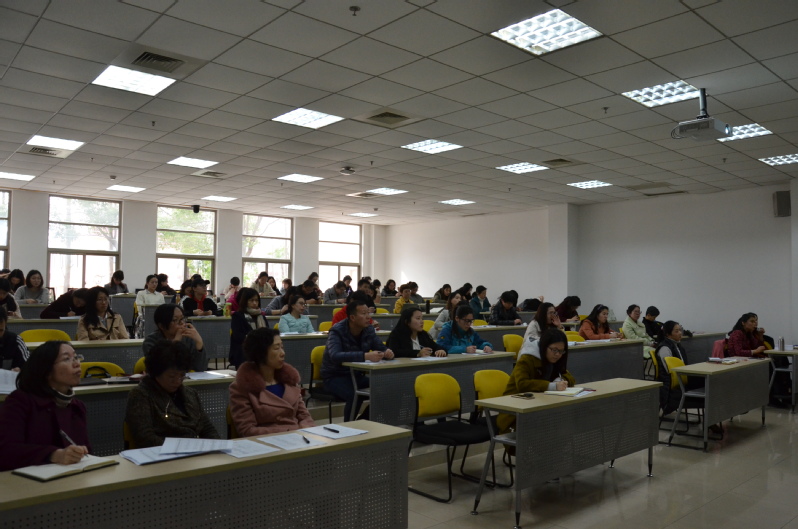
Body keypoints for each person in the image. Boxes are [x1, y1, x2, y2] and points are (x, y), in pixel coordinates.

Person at [0, 341, 90, 471]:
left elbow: (86, 452)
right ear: (47, 371)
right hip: (25, 479)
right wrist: (54, 455)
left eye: (76, 357)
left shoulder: (76, 406)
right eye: (67, 359)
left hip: (70, 477)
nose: (76, 364)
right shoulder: (20, 402)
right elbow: (6, 451)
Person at [125, 340, 219, 448]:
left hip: (193, 452)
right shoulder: (141, 395)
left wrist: (217, 446)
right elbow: (145, 438)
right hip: (161, 454)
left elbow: (207, 428)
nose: (177, 381)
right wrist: (186, 447)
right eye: (171, 376)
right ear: (156, 372)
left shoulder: (190, 394)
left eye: (182, 375)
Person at [229, 327, 314, 436]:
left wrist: (306, 429)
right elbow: (247, 430)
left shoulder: (289, 381)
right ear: (261, 352)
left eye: (282, 347)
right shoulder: (241, 388)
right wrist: (290, 432)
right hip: (266, 443)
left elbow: (305, 416)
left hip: (298, 439)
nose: (282, 353)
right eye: (276, 348)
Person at [322, 298, 394, 420]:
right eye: (364, 313)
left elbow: (380, 347)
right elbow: (335, 355)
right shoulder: (337, 330)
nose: (368, 317)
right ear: (352, 317)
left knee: (385, 389)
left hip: (355, 375)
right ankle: (349, 426)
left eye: (368, 313)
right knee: (354, 394)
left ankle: (363, 421)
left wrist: (387, 352)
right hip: (334, 376)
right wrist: (365, 356)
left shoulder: (368, 329)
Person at [497, 329, 574, 434]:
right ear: (544, 346)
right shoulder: (527, 359)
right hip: (515, 414)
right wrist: (551, 386)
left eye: (561, 351)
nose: (557, 354)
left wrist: (560, 380)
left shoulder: (554, 359)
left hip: (538, 411)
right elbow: (522, 384)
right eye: (554, 350)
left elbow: (569, 377)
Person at [142, 304, 206, 372]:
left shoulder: (189, 338)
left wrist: (199, 343)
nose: (182, 323)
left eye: (182, 318)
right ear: (162, 326)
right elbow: (160, 370)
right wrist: (176, 343)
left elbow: (201, 369)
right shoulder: (151, 341)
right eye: (175, 320)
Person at [229, 288, 266, 368]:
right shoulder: (238, 316)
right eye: (251, 300)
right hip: (243, 350)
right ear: (245, 301)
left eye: (256, 300)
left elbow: (268, 334)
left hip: (261, 349)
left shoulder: (261, 316)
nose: (254, 303)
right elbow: (238, 336)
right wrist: (256, 339)